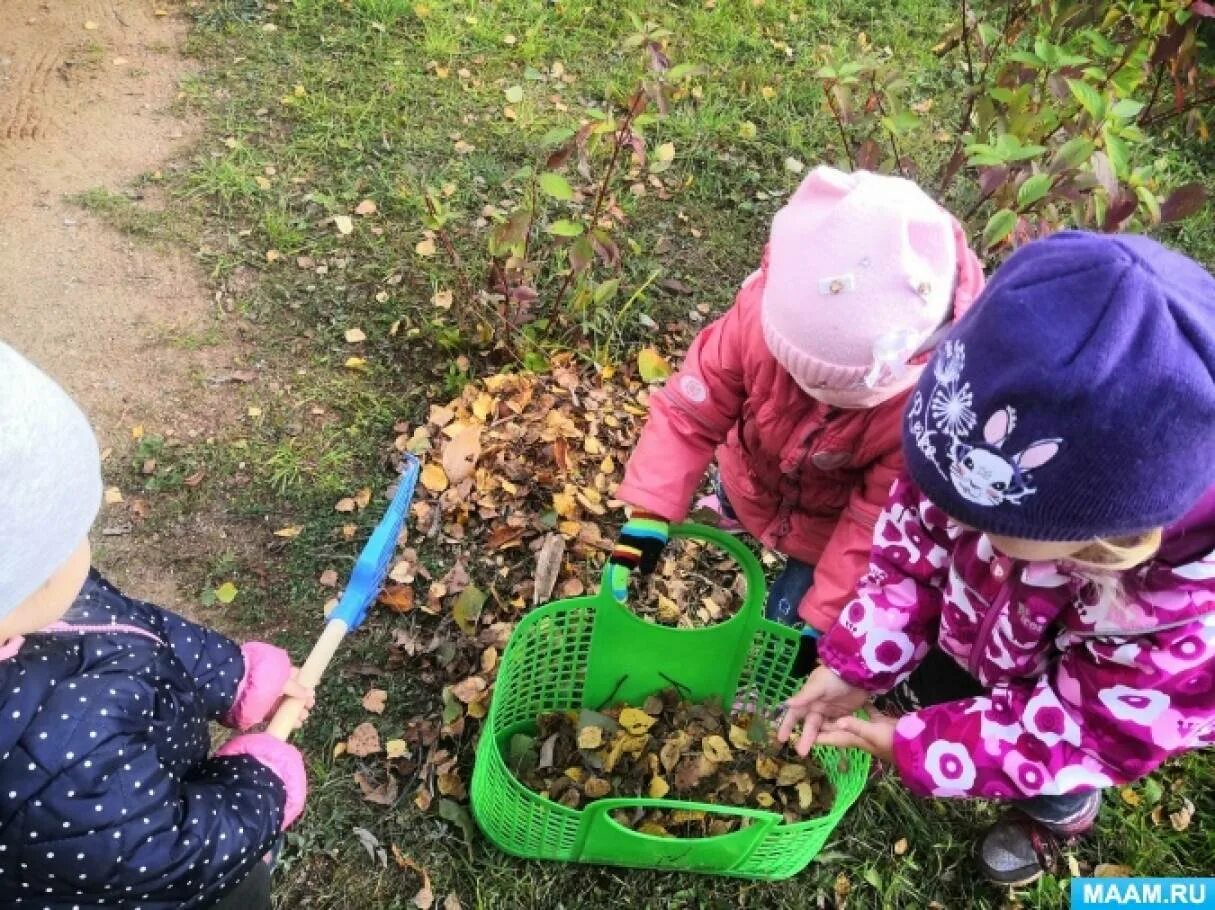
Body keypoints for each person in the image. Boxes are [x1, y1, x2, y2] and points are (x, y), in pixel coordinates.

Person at [777, 231, 1215, 885]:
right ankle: (978, 688)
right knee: (979, 689)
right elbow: (907, 554)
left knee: (1058, 770)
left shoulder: (1177, 615)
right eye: (937, 487)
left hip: (1093, 712)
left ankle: (1055, 814)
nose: (944, 512)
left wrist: (916, 745)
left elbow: (1080, 729)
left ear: (1107, 535)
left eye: (980, 517)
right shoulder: (964, 463)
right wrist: (859, 662)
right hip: (990, 624)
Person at [611, 165, 984, 665]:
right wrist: (651, 508)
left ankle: (781, 642)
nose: (816, 398)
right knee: (737, 491)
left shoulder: (918, 413)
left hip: (826, 529)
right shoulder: (753, 322)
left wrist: (827, 615)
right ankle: (734, 506)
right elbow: (689, 416)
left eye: (839, 391)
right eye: (799, 377)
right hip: (754, 466)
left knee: (792, 617)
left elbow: (872, 519)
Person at [0, 341, 313, 908]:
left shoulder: (36, 603)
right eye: (71, 532)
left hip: (153, 780)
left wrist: (237, 678)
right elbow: (169, 859)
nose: (83, 546)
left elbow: (129, 627)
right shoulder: (51, 767)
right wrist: (258, 789)